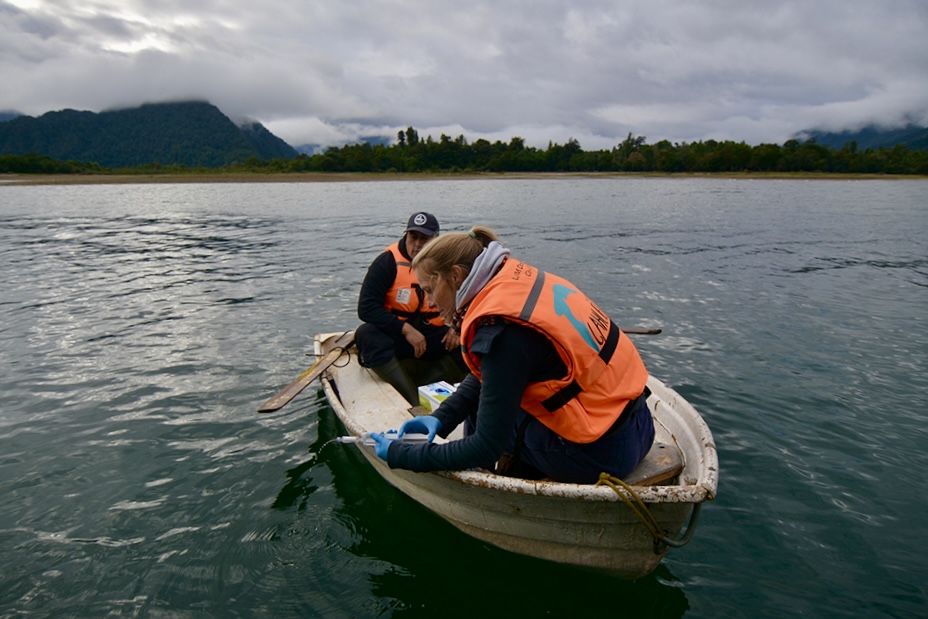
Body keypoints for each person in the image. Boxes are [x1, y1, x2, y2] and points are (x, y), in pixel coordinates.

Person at [369, 226, 655, 484]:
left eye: (430, 290)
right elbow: (488, 374)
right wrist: (441, 419)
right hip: (639, 425)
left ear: (455, 276)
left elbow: (484, 447)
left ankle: (488, 485)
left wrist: (403, 454)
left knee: (481, 414)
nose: (429, 302)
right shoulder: (518, 282)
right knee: (493, 397)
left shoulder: (500, 333)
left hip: (603, 456)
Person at [355, 212, 466, 406]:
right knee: (366, 334)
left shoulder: (449, 265)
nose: (417, 245)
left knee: (470, 343)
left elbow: (470, 302)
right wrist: (405, 330)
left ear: (435, 240)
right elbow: (366, 308)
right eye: (413, 237)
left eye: (425, 239)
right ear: (406, 236)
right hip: (399, 337)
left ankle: (426, 387)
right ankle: (411, 399)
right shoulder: (387, 262)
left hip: (435, 336)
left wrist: (457, 327)